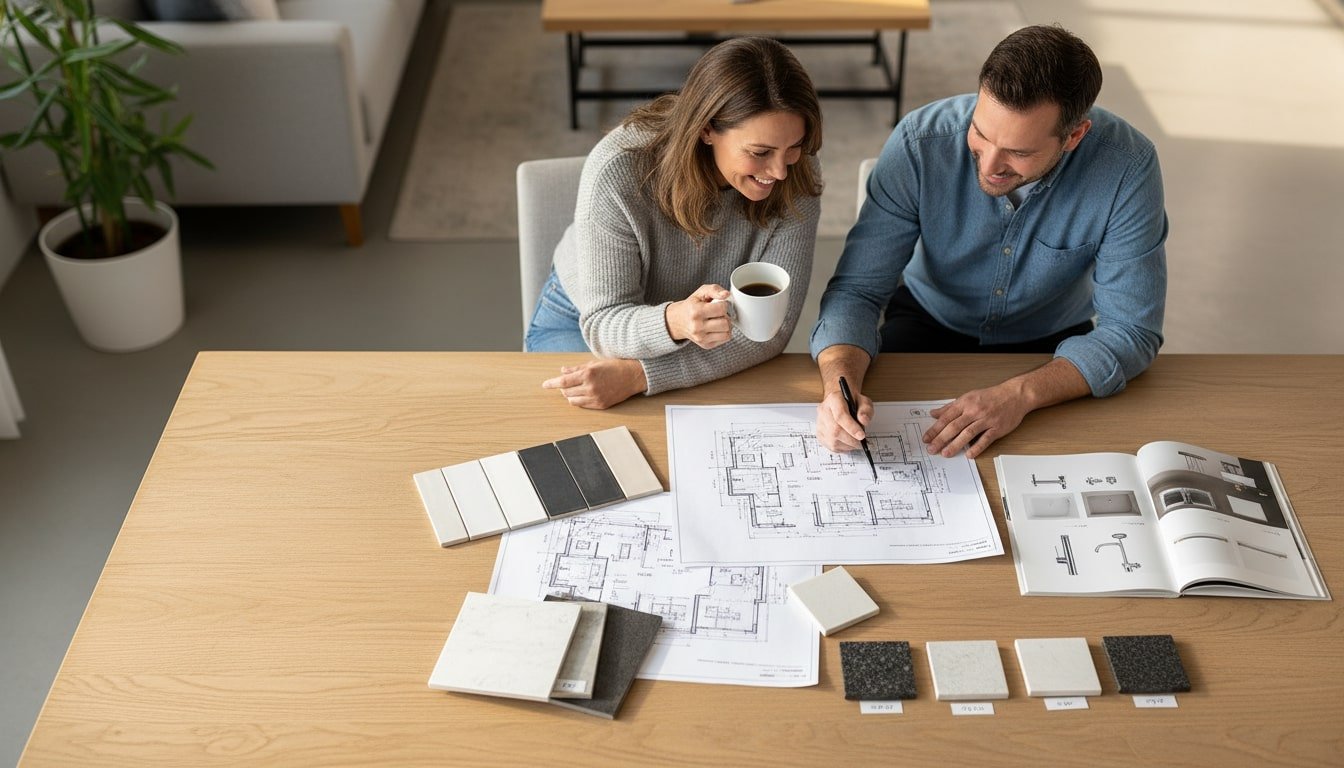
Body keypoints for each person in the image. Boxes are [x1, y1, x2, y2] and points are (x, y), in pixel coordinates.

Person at [811, 24, 1167, 459]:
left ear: (1074, 136)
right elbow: (858, 291)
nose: (991, 165)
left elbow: (1131, 330)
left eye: (1018, 152)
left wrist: (1021, 394)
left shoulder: (1128, 168)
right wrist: (838, 387)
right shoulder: (919, 143)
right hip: (927, 317)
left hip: (1052, 341)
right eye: (981, 133)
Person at [526, 36, 823, 409]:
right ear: (706, 129)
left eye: (793, 147)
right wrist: (676, 322)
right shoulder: (620, 171)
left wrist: (641, 376)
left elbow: (768, 333)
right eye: (759, 152)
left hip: (710, 333)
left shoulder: (798, 174)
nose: (779, 171)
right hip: (589, 322)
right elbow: (604, 324)